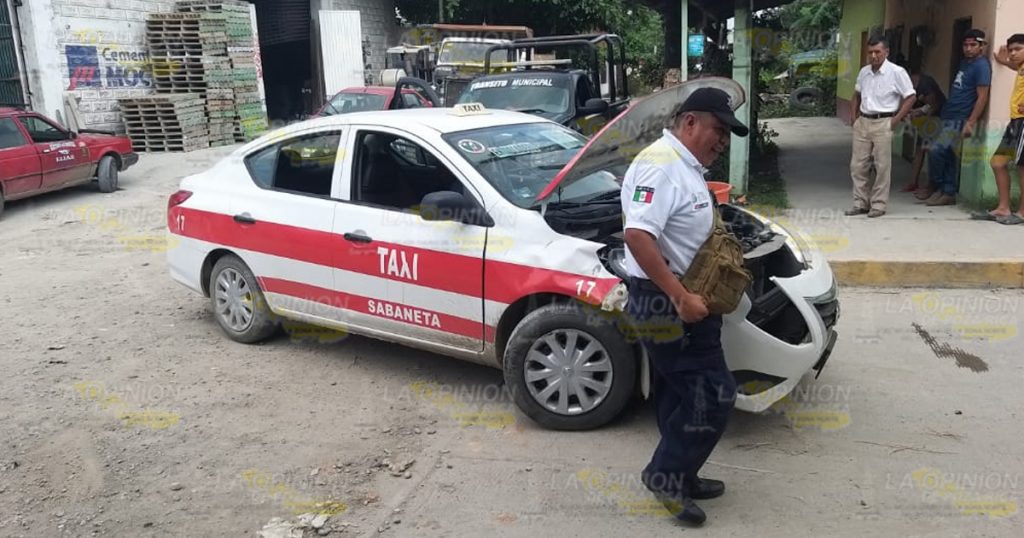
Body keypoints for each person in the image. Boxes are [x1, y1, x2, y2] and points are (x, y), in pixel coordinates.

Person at [620, 87, 748, 526]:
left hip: (688, 300)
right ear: (690, 121)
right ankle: (665, 474)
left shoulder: (685, 165)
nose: (723, 141)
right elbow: (638, 237)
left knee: (679, 392)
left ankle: (682, 471)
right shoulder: (660, 166)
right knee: (715, 394)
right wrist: (679, 296)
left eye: (728, 134)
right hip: (666, 303)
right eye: (718, 129)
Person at [919, 29, 992, 206]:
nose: (968, 48)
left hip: (960, 117)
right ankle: (948, 191)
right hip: (949, 113)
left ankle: (938, 185)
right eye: (965, 45)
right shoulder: (965, 63)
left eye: (973, 45)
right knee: (948, 154)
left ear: (982, 46)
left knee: (936, 150)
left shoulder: (982, 66)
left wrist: (971, 122)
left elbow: (982, 96)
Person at [847, 37, 917, 218]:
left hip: (883, 121)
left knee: (881, 165)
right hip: (863, 121)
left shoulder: (896, 72)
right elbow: (856, 95)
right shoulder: (864, 72)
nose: (873, 55)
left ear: (886, 52)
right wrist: (854, 117)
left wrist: (895, 120)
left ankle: (878, 205)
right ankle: (860, 203)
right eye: (870, 52)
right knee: (858, 165)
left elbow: (910, 97)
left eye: (877, 52)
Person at [973, 33, 1024, 224]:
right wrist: (1004, 62)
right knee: (997, 162)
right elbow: (1016, 67)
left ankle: (1022, 213)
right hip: (1015, 122)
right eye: (1011, 50)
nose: (1013, 53)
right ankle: (1003, 208)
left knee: (1022, 167)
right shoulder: (1021, 68)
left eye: (1018, 49)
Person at [903, 68, 947, 192]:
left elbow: (933, 105)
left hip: (937, 119)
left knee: (929, 151)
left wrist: (920, 114)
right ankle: (914, 182)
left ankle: (931, 185)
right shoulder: (913, 86)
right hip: (928, 120)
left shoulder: (925, 84)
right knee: (919, 150)